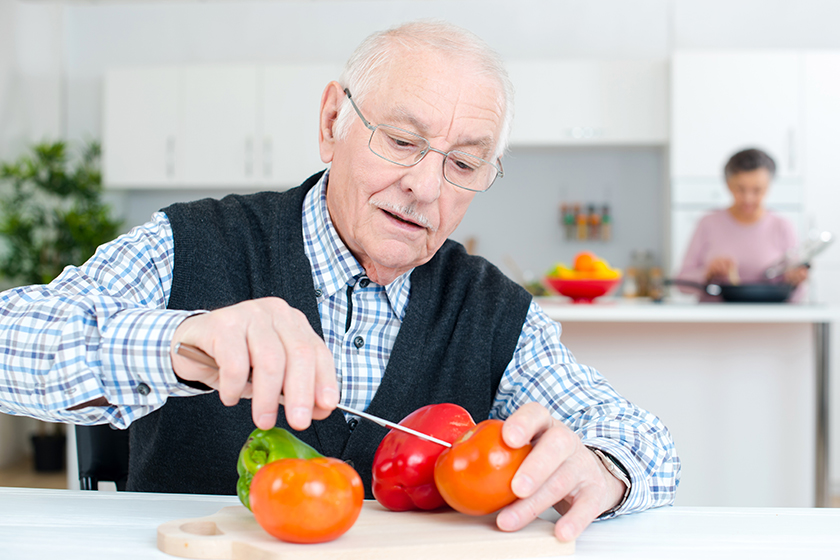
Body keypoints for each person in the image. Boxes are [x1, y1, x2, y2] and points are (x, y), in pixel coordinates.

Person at [0, 21, 679, 541]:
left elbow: (646, 440)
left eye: (464, 164)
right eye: (402, 141)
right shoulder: (192, 243)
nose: (423, 186)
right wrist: (176, 339)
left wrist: (606, 467)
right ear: (333, 123)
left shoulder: (493, 309)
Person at [676, 148, 808, 302]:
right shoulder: (708, 223)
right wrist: (707, 272)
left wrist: (795, 279)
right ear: (727, 184)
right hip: (715, 321)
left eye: (757, 190)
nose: (748, 198)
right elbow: (681, 285)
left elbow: (798, 296)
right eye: (740, 189)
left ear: (769, 185)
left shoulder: (782, 226)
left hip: (767, 321)